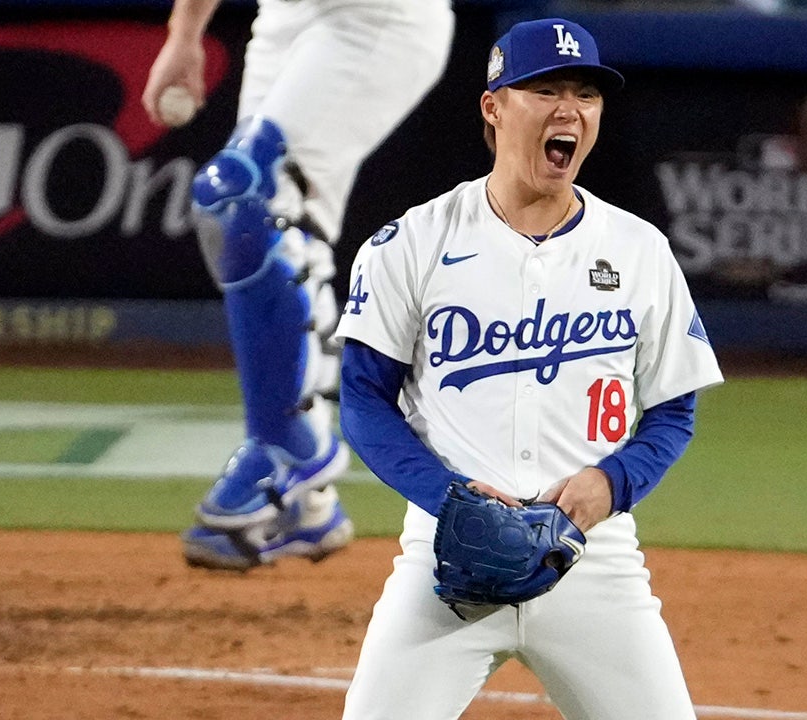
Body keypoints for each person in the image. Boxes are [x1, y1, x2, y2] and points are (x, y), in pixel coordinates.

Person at [333, 17, 725, 719]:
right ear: (494, 106)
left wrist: (614, 482)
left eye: (586, 94)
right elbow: (363, 400)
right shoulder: (409, 243)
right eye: (546, 90)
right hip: (445, 564)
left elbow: (674, 409)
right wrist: (448, 498)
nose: (569, 109)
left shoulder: (639, 250)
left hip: (594, 565)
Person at [140, 0, 455, 570]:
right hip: (284, 20)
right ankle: (309, 508)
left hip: (380, 18)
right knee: (289, 229)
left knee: (240, 194)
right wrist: (185, 33)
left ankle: (290, 451)